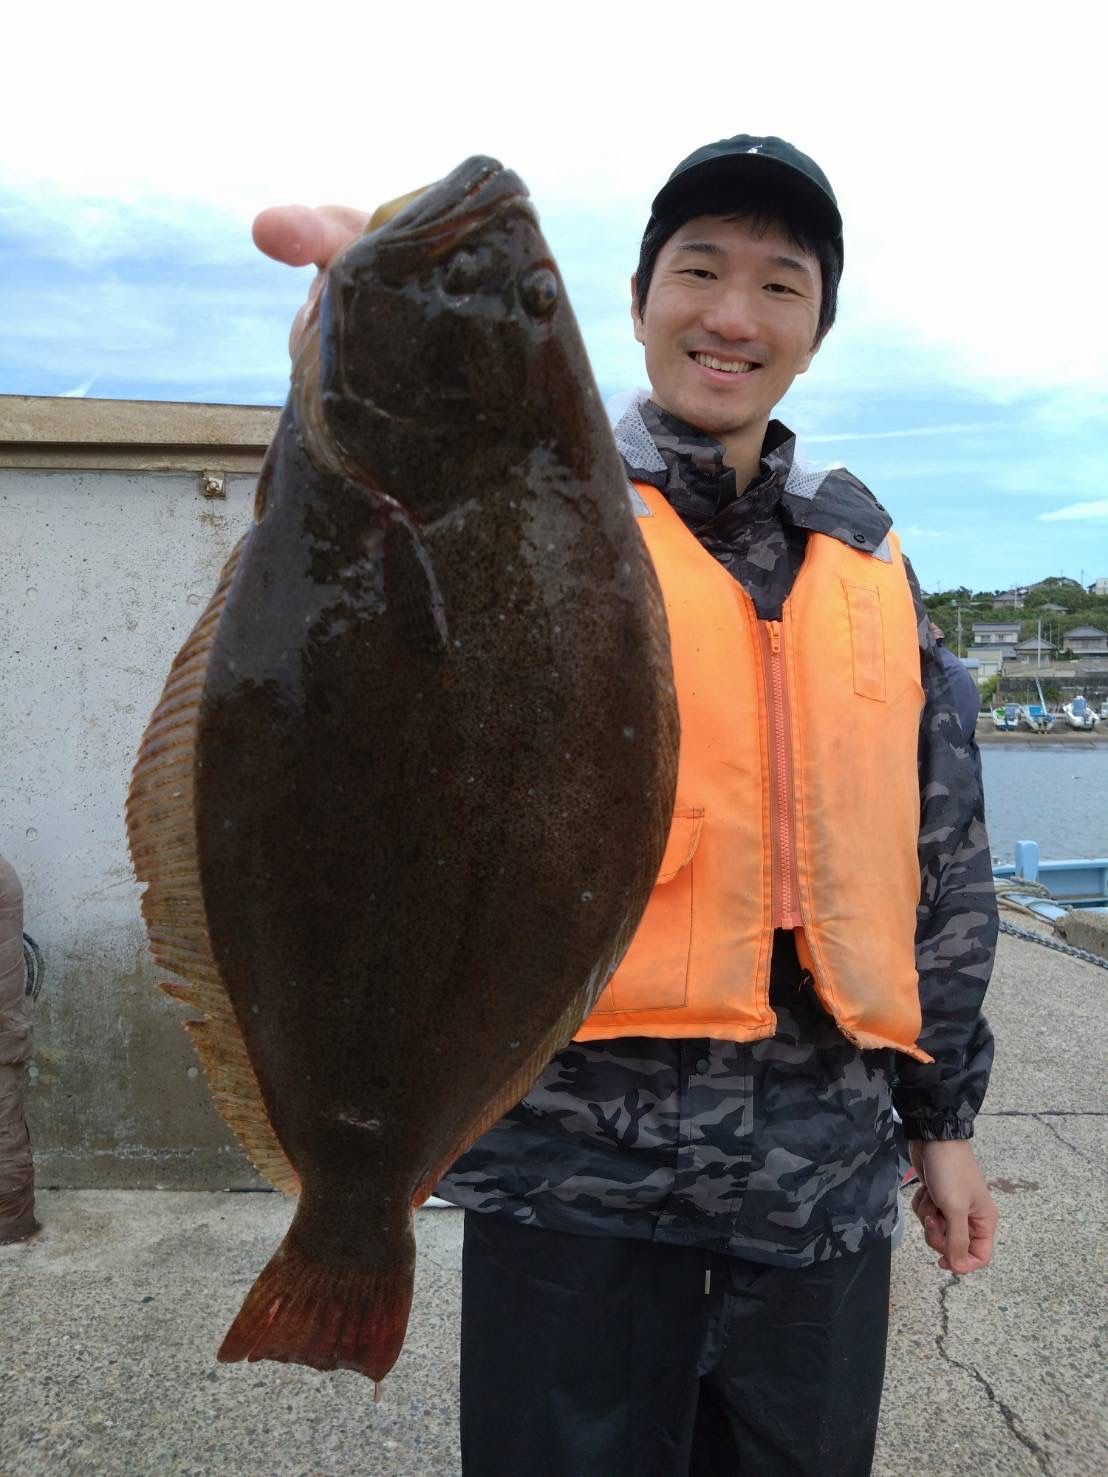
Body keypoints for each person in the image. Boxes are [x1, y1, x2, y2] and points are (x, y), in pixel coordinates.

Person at [255, 135, 999, 1477]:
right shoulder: (524, 494)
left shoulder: (870, 561)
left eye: (780, 285)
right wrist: (365, 341)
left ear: (818, 329)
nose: (734, 315)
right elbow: (337, 660)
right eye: (699, 271)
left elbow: (941, 861)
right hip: (573, 1184)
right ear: (641, 299)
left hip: (819, 1192)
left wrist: (942, 1126)